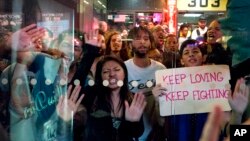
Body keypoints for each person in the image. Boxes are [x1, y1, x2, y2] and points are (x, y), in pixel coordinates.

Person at [82, 56, 146, 141]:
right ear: (100, 77)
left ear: (124, 74)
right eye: (106, 71)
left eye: (117, 70)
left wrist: (132, 122)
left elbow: (137, 133)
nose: (112, 74)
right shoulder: (91, 94)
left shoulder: (133, 98)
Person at [125, 26, 166, 141]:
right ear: (130, 44)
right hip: (132, 131)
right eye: (137, 38)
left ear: (150, 43)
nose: (142, 41)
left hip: (156, 131)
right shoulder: (123, 68)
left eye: (146, 38)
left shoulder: (161, 69)